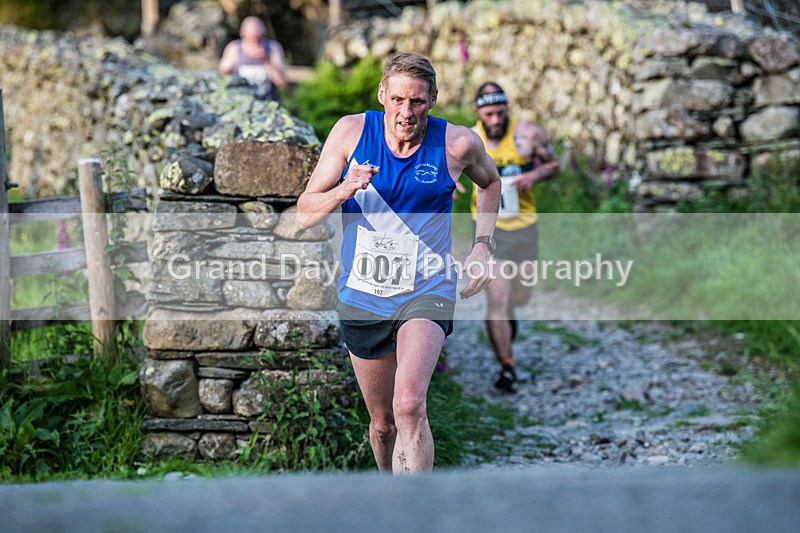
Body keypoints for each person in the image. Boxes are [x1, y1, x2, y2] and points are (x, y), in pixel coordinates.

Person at [296, 52, 501, 474]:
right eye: (398, 100)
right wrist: (342, 190)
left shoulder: (456, 143)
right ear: (382, 95)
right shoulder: (351, 133)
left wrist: (482, 244)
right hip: (364, 292)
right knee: (383, 423)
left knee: (409, 405)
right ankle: (388, 498)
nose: (406, 113)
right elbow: (303, 211)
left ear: (434, 99)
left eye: (419, 102)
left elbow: (491, 182)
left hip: (427, 287)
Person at [468, 82, 560, 393]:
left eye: (501, 113)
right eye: (489, 114)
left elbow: (554, 164)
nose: (495, 120)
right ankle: (507, 367)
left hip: (524, 227)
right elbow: (448, 170)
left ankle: (509, 315)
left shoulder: (528, 135)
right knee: (497, 297)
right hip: (488, 231)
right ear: (479, 112)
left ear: (508, 110)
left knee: (520, 297)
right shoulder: (468, 140)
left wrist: (532, 176)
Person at [218, 16, 286, 101]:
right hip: (241, 102)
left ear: (264, 34)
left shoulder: (273, 48)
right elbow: (221, 77)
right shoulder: (234, 48)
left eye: (259, 38)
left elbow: (281, 83)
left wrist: (266, 60)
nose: (255, 42)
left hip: (268, 102)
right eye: (251, 38)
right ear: (242, 34)